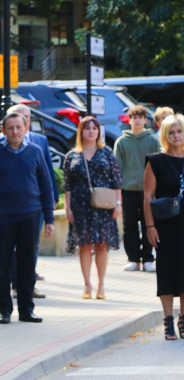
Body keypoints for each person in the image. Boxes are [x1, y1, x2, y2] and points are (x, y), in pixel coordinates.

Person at [0, 113, 55, 324]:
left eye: (18, 127)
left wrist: (49, 218)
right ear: (3, 130)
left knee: (27, 263)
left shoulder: (35, 151)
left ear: (25, 128)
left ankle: (26, 309)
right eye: (10, 128)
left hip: (30, 215)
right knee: (3, 264)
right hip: (3, 217)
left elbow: (45, 185)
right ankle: (5, 310)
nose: (15, 131)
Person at [63, 116, 123, 300]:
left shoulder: (106, 153)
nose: (91, 131)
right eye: (87, 128)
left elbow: (117, 180)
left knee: (102, 245)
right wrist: (68, 208)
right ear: (81, 132)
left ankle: (101, 284)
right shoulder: (72, 155)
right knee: (84, 245)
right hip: (80, 205)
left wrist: (118, 203)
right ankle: (87, 283)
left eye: (94, 128)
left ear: (98, 132)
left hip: (103, 205)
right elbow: (67, 185)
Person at [144, 114, 184, 340]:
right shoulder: (156, 160)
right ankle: (168, 319)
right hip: (165, 224)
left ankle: (183, 319)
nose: (176, 136)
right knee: (167, 270)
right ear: (165, 134)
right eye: (171, 131)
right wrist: (150, 226)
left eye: (180, 131)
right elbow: (148, 195)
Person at [114, 105, 161, 272]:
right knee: (130, 225)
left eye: (141, 117)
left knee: (148, 223)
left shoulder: (153, 141)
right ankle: (133, 258)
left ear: (145, 120)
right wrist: (117, 190)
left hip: (148, 190)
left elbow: (158, 166)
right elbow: (117, 168)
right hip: (128, 189)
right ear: (129, 120)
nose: (137, 120)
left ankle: (148, 258)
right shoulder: (122, 141)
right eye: (134, 117)